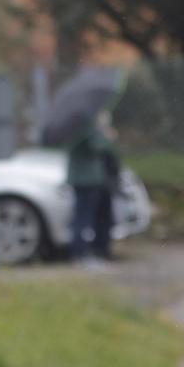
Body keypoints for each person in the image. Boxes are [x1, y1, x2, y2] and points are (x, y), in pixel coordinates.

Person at [67, 111, 118, 265]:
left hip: (94, 181)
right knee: (83, 218)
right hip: (86, 181)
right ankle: (80, 253)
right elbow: (97, 146)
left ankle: (97, 251)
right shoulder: (83, 128)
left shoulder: (85, 127)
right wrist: (108, 137)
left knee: (97, 218)